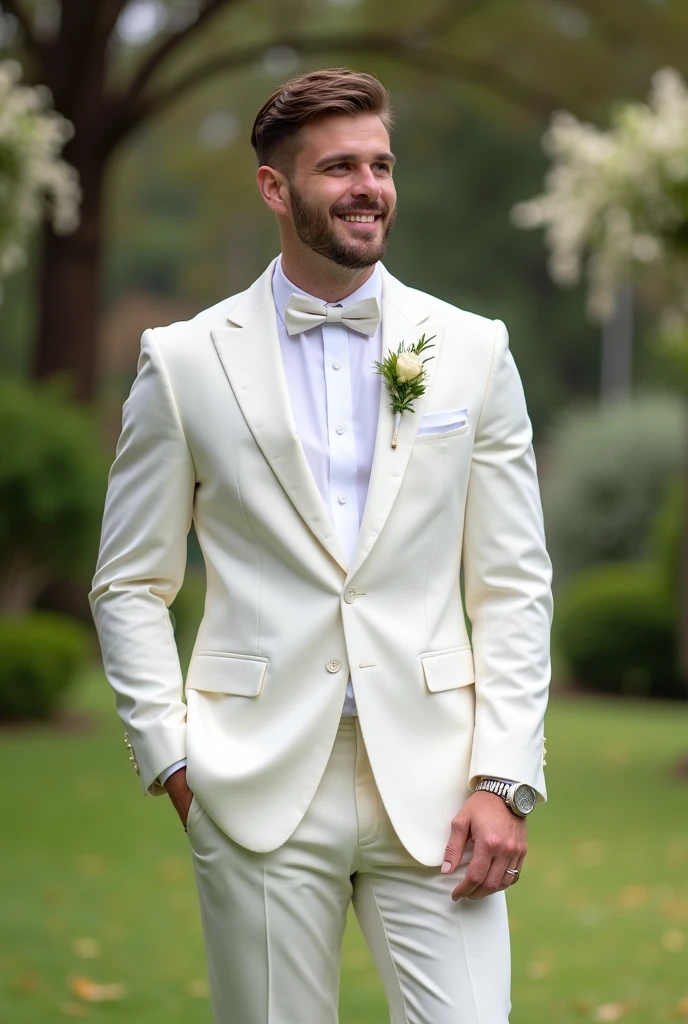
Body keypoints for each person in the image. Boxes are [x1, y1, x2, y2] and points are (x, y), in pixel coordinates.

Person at [90, 67, 553, 1024]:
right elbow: (130, 582)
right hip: (253, 782)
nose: (367, 187)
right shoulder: (183, 363)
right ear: (274, 188)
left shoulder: (472, 350)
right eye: (338, 166)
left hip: (441, 789)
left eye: (380, 165)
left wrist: (504, 777)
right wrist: (173, 763)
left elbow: (512, 584)